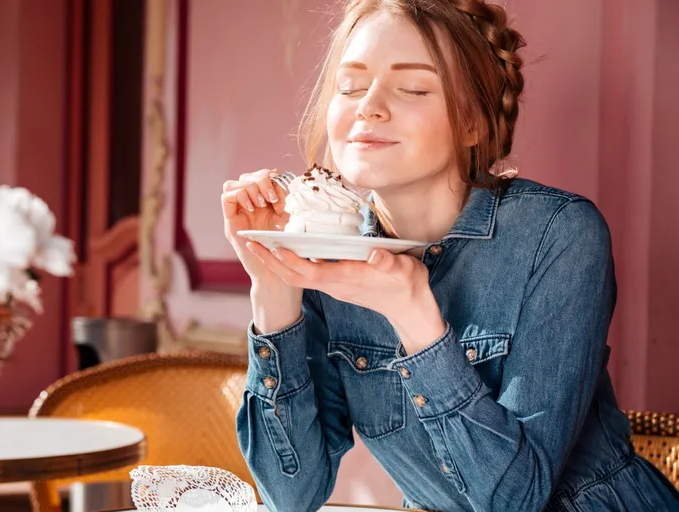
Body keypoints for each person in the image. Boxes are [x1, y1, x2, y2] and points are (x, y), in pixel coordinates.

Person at [220, 1, 679, 511]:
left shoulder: (559, 235)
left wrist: (414, 314)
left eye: (413, 87)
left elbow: (515, 500)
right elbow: (290, 495)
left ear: (472, 124)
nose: (367, 106)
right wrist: (274, 286)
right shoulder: (327, 256)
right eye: (350, 86)